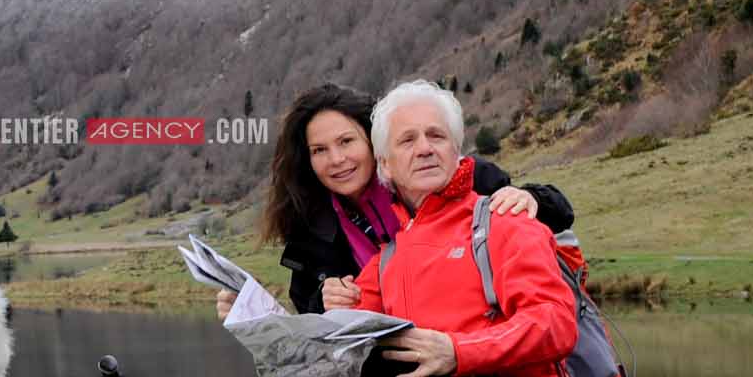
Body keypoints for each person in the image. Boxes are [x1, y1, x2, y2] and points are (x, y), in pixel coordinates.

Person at [209, 80, 580, 377]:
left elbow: (557, 323)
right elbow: (329, 349)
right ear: (386, 164)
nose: (424, 149)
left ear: (458, 149)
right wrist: (257, 319)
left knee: (395, 366)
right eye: (407, 140)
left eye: (436, 136)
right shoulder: (392, 255)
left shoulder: (503, 222)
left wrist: (456, 352)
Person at [217, 83, 572, 318]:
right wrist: (315, 302)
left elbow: (557, 213)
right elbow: (312, 319)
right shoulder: (311, 227)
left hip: (478, 345)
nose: (336, 160)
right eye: (319, 150)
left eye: (346, 142)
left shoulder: (436, 176)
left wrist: (529, 199)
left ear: (375, 142)